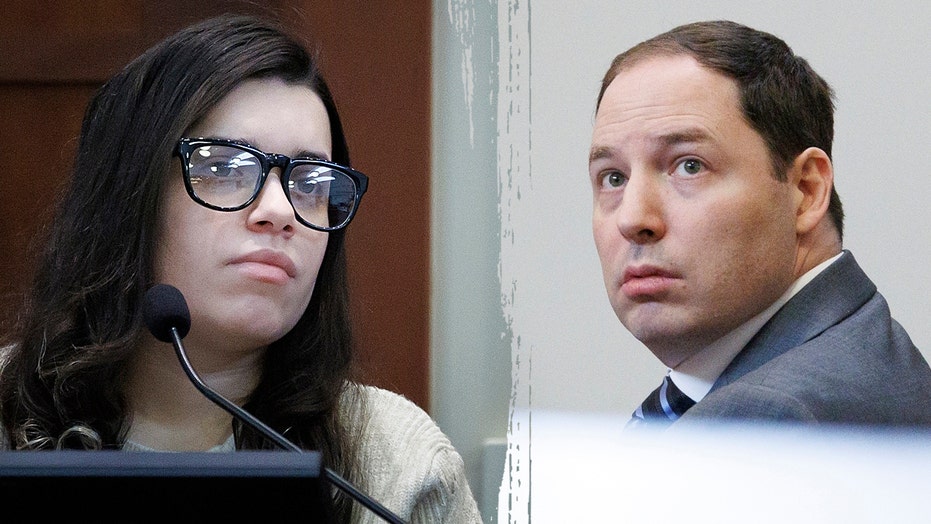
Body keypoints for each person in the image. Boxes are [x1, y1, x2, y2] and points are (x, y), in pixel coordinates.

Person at [0, 13, 481, 523]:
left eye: (312, 183)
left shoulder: (400, 466)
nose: (279, 210)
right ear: (128, 195)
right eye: (225, 167)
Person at [587, 20, 931, 431]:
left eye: (690, 166)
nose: (633, 219)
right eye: (613, 178)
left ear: (805, 190)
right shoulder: (857, 354)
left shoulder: (770, 419)